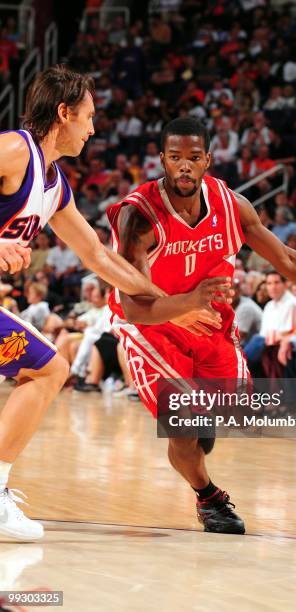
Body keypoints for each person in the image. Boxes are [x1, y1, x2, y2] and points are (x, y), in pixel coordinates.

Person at [0, 67, 228, 542]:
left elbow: (99, 256)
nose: (93, 127)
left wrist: (172, 304)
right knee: (49, 370)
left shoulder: (54, 185)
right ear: (63, 113)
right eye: (88, 116)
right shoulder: (14, 150)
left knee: (49, 369)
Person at [107, 117, 296, 535]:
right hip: (153, 330)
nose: (185, 166)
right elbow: (133, 307)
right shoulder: (140, 216)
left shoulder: (232, 204)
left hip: (212, 327)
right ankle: (208, 497)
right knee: (182, 427)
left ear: (208, 159)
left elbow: (288, 260)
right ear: (162, 160)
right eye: (175, 157)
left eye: (194, 158)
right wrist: (187, 303)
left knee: (232, 403)